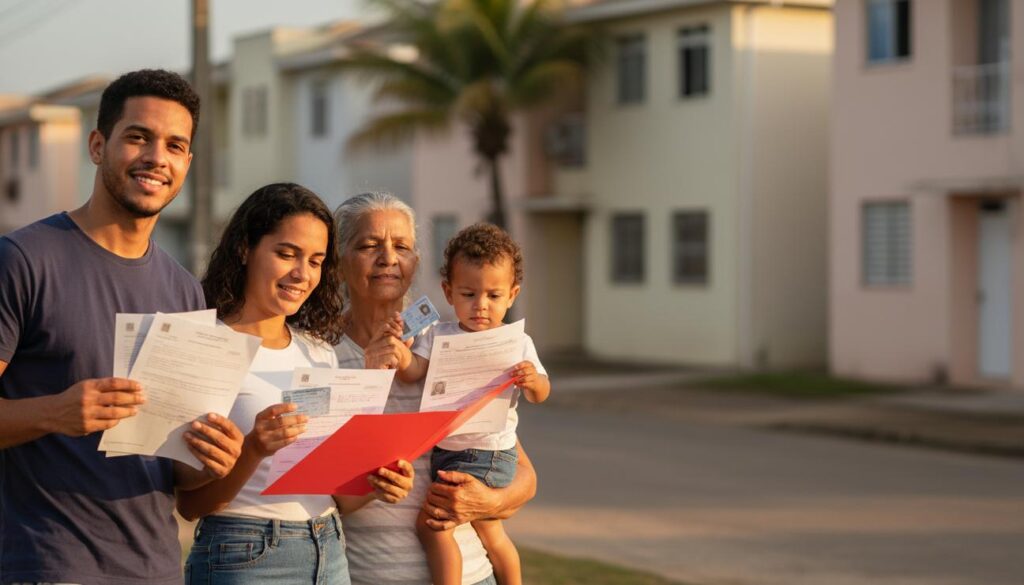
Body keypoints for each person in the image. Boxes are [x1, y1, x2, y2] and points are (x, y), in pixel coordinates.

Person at [0, 69, 243, 585]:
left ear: (187, 164)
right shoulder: (23, 259)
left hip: (156, 569)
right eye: (138, 137)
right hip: (47, 566)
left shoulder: (184, 291)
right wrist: (56, 412)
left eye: (175, 145)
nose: (158, 157)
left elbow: (175, 473)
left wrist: (214, 460)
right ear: (97, 145)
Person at [176, 183, 414, 585]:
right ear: (245, 249)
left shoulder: (319, 351)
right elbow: (191, 503)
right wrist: (253, 448)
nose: (302, 274)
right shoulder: (207, 343)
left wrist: (378, 484)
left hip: (329, 548)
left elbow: (336, 496)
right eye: (287, 254)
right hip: (245, 555)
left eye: (316, 260)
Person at [333, 192, 538, 585]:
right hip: (369, 576)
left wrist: (488, 502)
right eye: (369, 246)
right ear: (339, 261)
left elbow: (522, 472)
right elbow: (321, 492)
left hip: (473, 575)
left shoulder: (450, 342)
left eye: (402, 247)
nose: (388, 258)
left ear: (416, 263)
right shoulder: (318, 353)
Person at [394, 223, 549, 585]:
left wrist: (533, 380)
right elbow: (414, 372)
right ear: (448, 292)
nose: (480, 306)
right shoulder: (438, 335)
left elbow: (542, 393)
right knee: (491, 534)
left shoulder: (515, 342)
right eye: (468, 294)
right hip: (447, 449)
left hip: (487, 453)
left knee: (433, 526)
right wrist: (403, 359)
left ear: (512, 295)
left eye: (493, 296)